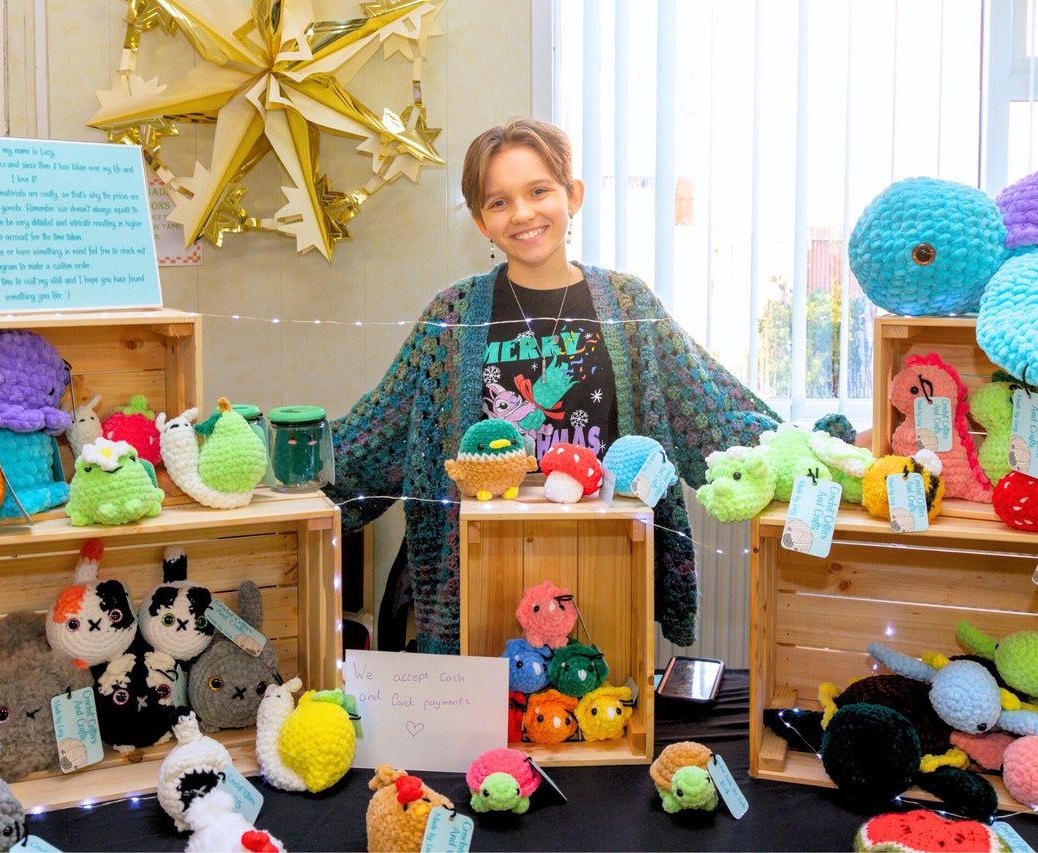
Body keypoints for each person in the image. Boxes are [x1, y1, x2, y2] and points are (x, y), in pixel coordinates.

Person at [326, 117, 780, 655]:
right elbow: (373, 436)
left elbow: (710, 407)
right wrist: (268, 459)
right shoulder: (453, 316)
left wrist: (814, 451)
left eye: (539, 190)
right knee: (497, 727)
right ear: (480, 223)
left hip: (606, 566)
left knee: (601, 720)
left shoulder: (627, 306)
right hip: (481, 572)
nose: (522, 213)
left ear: (573, 196)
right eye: (498, 202)